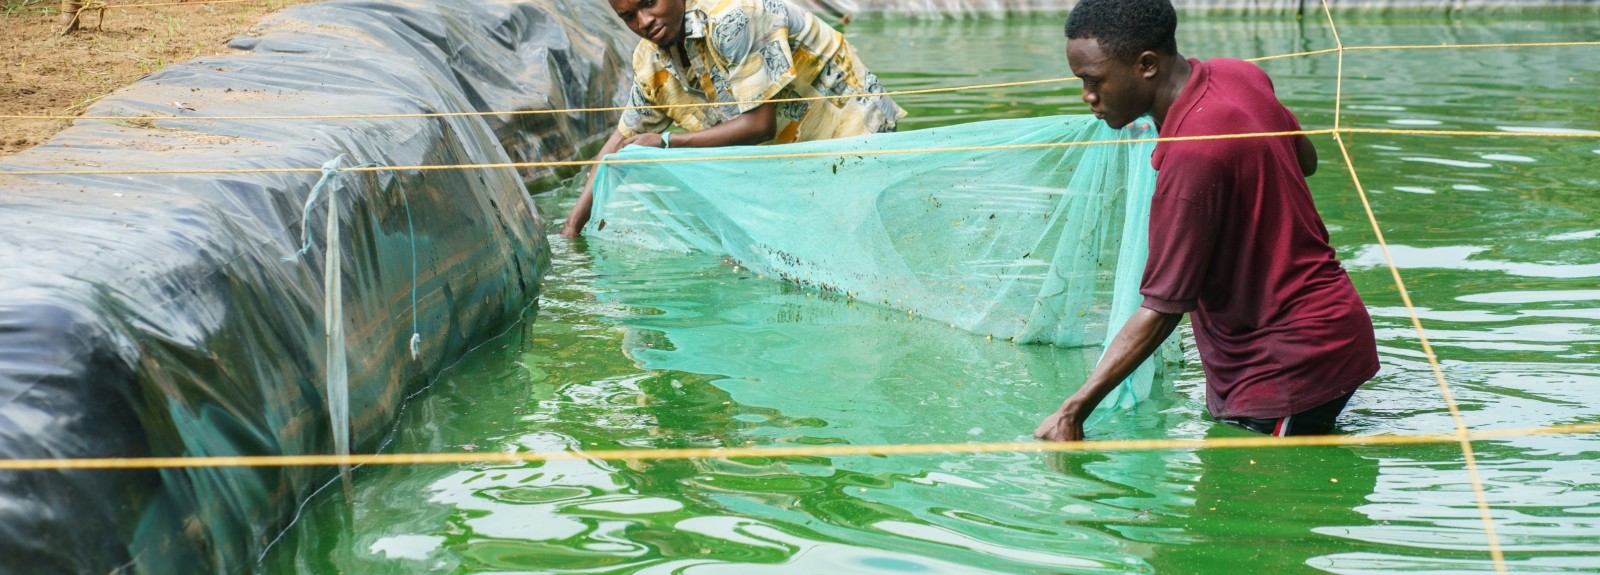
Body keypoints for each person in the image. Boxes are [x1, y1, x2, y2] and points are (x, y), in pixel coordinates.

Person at [1034, 0, 1379, 441]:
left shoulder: (1193, 157)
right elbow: (1305, 160)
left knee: (1254, 502)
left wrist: (1073, 410)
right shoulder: (1237, 73)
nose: (1087, 96)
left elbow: (1163, 306)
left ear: (1146, 65)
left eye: (1093, 81)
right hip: (1329, 326)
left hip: (1286, 364)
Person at [561, 0, 906, 237]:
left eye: (650, 2)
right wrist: (572, 227)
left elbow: (758, 125)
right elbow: (619, 145)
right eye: (628, 16)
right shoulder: (651, 61)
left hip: (850, 125)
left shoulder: (731, 17)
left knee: (848, 240)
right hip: (788, 157)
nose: (644, 21)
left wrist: (666, 142)